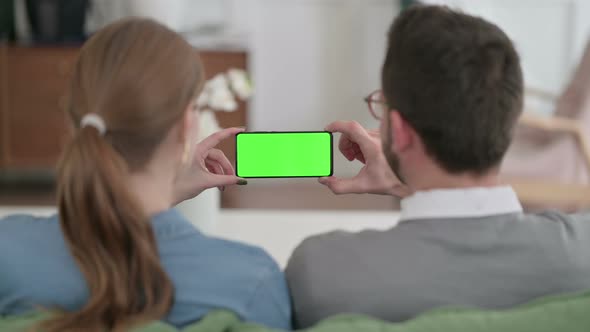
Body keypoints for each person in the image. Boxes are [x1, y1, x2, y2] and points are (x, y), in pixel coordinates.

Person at [286, 4, 590, 329]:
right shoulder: (579, 251)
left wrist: (406, 180)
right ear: (509, 119)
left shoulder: (322, 272)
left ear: (400, 131)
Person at [0, 19, 291, 331]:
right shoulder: (250, 282)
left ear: (77, 122)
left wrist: (168, 192)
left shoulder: (8, 252)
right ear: (186, 126)